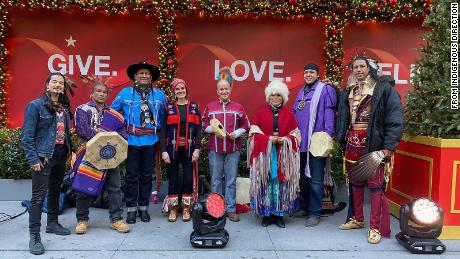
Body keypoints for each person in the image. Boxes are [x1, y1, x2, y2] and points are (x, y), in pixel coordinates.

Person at [335, 54, 403, 244]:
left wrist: (388, 146)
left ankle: (375, 227)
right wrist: (339, 138)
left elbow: (395, 119)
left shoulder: (384, 89)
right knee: (355, 183)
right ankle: (357, 219)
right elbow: (343, 118)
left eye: (362, 66)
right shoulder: (349, 90)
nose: (358, 70)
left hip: (374, 144)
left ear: (370, 68)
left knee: (375, 187)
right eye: (355, 67)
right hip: (352, 143)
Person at [21, 72, 73, 255]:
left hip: (60, 155)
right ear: (47, 85)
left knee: (55, 191)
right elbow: (27, 137)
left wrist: (70, 151)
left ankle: (52, 223)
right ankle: (34, 236)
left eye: (61, 83)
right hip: (43, 157)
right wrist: (33, 159)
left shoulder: (64, 108)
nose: (58, 85)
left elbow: (65, 133)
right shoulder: (35, 106)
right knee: (37, 197)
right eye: (55, 82)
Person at [111, 61, 167, 224]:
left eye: (147, 74)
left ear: (151, 77)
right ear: (135, 76)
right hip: (131, 142)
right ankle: (131, 209)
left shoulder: (160, 95)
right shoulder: (124, 94)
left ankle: (143, 208)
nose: (144, 76)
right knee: (131, 176)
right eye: (140, 73)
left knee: (146, 176)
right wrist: (119, 133)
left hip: (150, 141)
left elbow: (166, 119)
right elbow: (113, 114)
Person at [73, 78, 129, 234]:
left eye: (104, 92)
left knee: (115, 188)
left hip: (110, 156)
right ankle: (82, 220)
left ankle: (116, 219)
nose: (101, 94)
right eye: (98, 91)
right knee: (83, 187)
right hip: (88, 155)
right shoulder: (82, 110)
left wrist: (111, 141)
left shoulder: (115, 115)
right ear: (91, 93)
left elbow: (123, 134)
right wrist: (106, 138)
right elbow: (83, 131)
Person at [248, 80, 301, 228]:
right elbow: (253, 134)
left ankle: (278, 215)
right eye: (273, 95)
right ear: (268, 97)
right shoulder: (261, 113)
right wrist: (269, 139)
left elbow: (296, 135)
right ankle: (266, 215)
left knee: (280, 184)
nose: (275, 98)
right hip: (266, 156)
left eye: (278, 95)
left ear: (283, 97)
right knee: (267, 182)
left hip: (282, 156)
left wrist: (284, 140)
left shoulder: (289, 115)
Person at [202, 67, 250, 222]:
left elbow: (246, 125)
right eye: (221, 89)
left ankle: (230, 209)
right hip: (214, 149)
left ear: (230, 90)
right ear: (217, 91)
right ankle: (215, 210)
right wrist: (212, 129)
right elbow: (203, 125)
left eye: (226, 89)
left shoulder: (238, 107)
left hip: (233, 149)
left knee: (230, 180)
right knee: (215, 180)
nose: (224, 91)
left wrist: (237, 133)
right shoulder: (210, 107)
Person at [292, 63, 337, 227]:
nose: (308, 75)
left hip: (317, 142)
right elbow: (294, 112)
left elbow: (329, 111)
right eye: (306, 72)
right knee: (303, 178)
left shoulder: (325, 89)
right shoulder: (301, 91)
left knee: (316, 179)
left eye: (312, 72)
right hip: (302, 142)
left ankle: (314, 212)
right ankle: (304, 207)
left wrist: (328, 134)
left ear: (318, 74)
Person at [161, 78, 201, 222]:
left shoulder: (194, 107)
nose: (180, 91)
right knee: (173, 178)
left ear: (186, 90)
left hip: (189, 149)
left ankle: (186, 208)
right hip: (172, 149)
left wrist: (197, 149)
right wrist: (163, 150)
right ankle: (172, 209)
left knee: (188, 178)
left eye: (182, 88)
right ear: (174, 91)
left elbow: (198, 129)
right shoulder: (168, 107)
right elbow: (163, 130)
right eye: (177, 89)